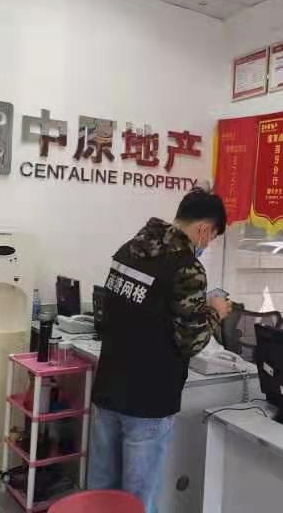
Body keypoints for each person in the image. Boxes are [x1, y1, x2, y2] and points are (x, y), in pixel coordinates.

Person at [88, 188, 232, 512]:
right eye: (211, 238)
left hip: (108, 389)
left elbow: (106, 316)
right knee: (139, 500)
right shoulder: (186, 268)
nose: (207, 245)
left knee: (101, 497)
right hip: (148, 401)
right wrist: (215, 311)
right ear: (205, 229)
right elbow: (191, 341)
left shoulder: (129, 250)